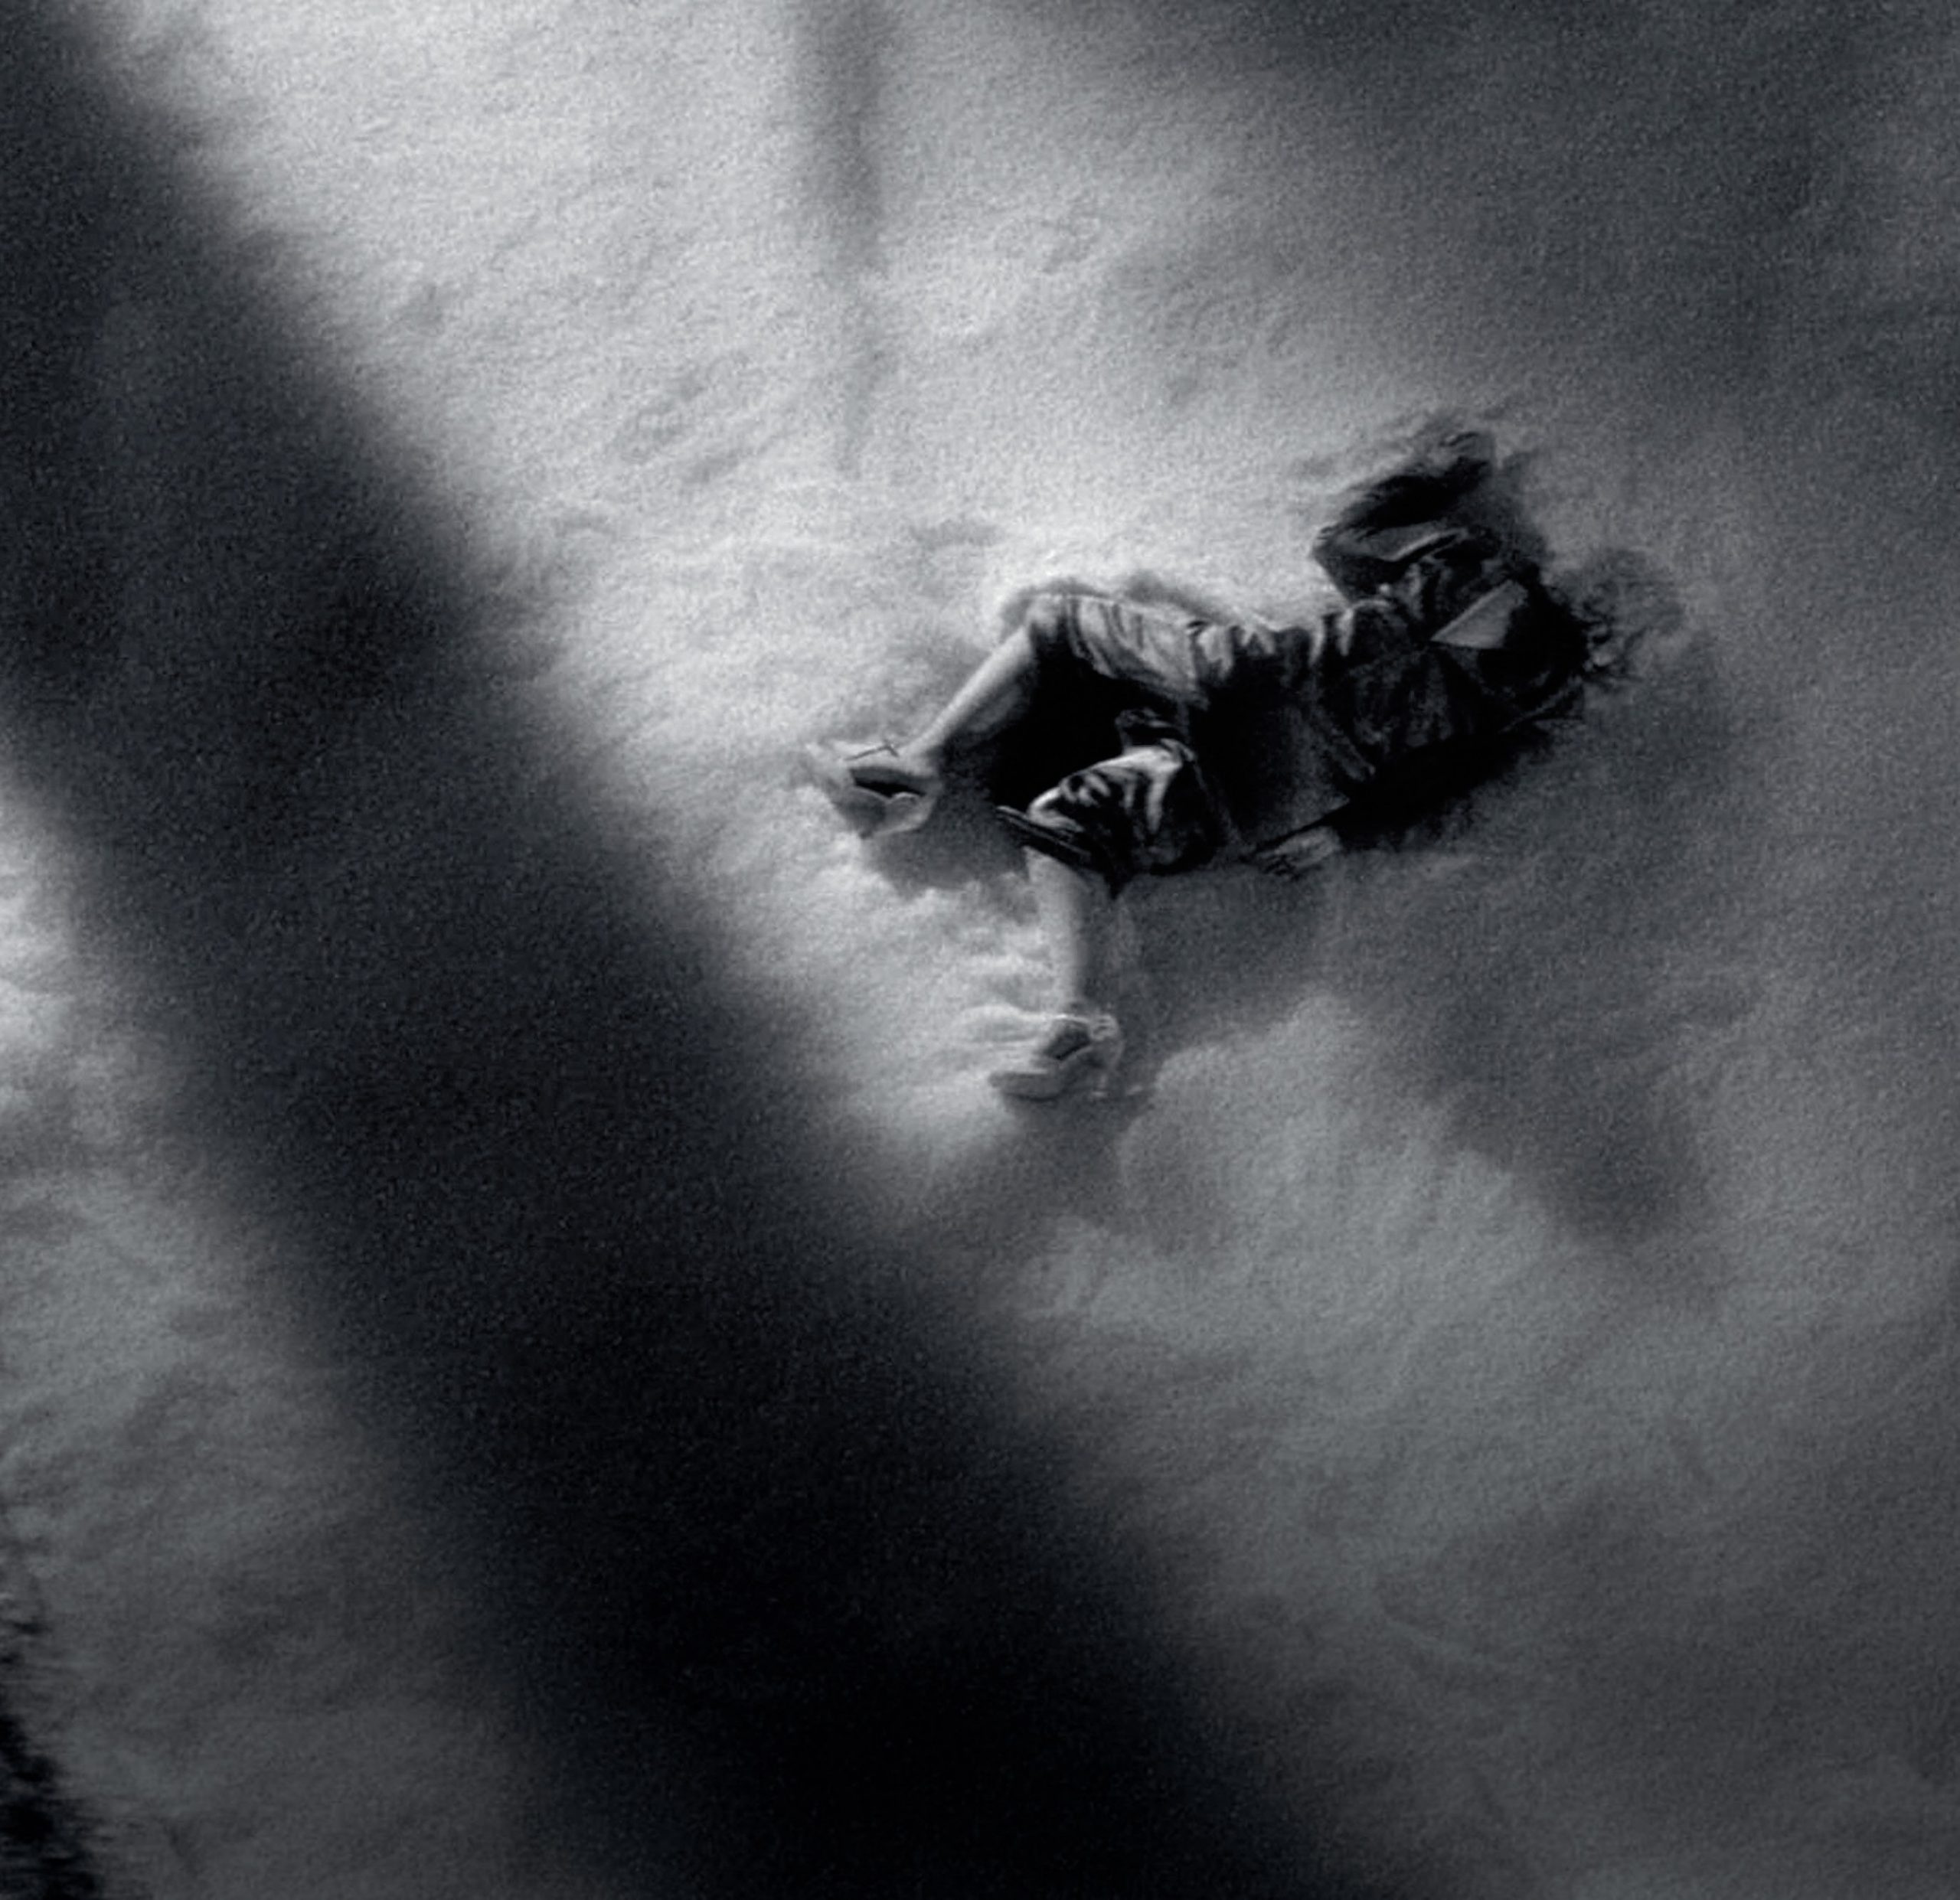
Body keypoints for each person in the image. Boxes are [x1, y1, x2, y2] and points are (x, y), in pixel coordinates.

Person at [805, 433, 1589, 1101]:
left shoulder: (1469, 564)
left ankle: (920, 766)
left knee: (1063, 647)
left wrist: (1437, 480)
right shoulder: (1523, 659)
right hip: (1281, 768)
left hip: (1249, 681)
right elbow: (1450, 785)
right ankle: (1075, 1015)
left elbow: (1342, 543)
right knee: (1070, 820)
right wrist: (1349, 829)